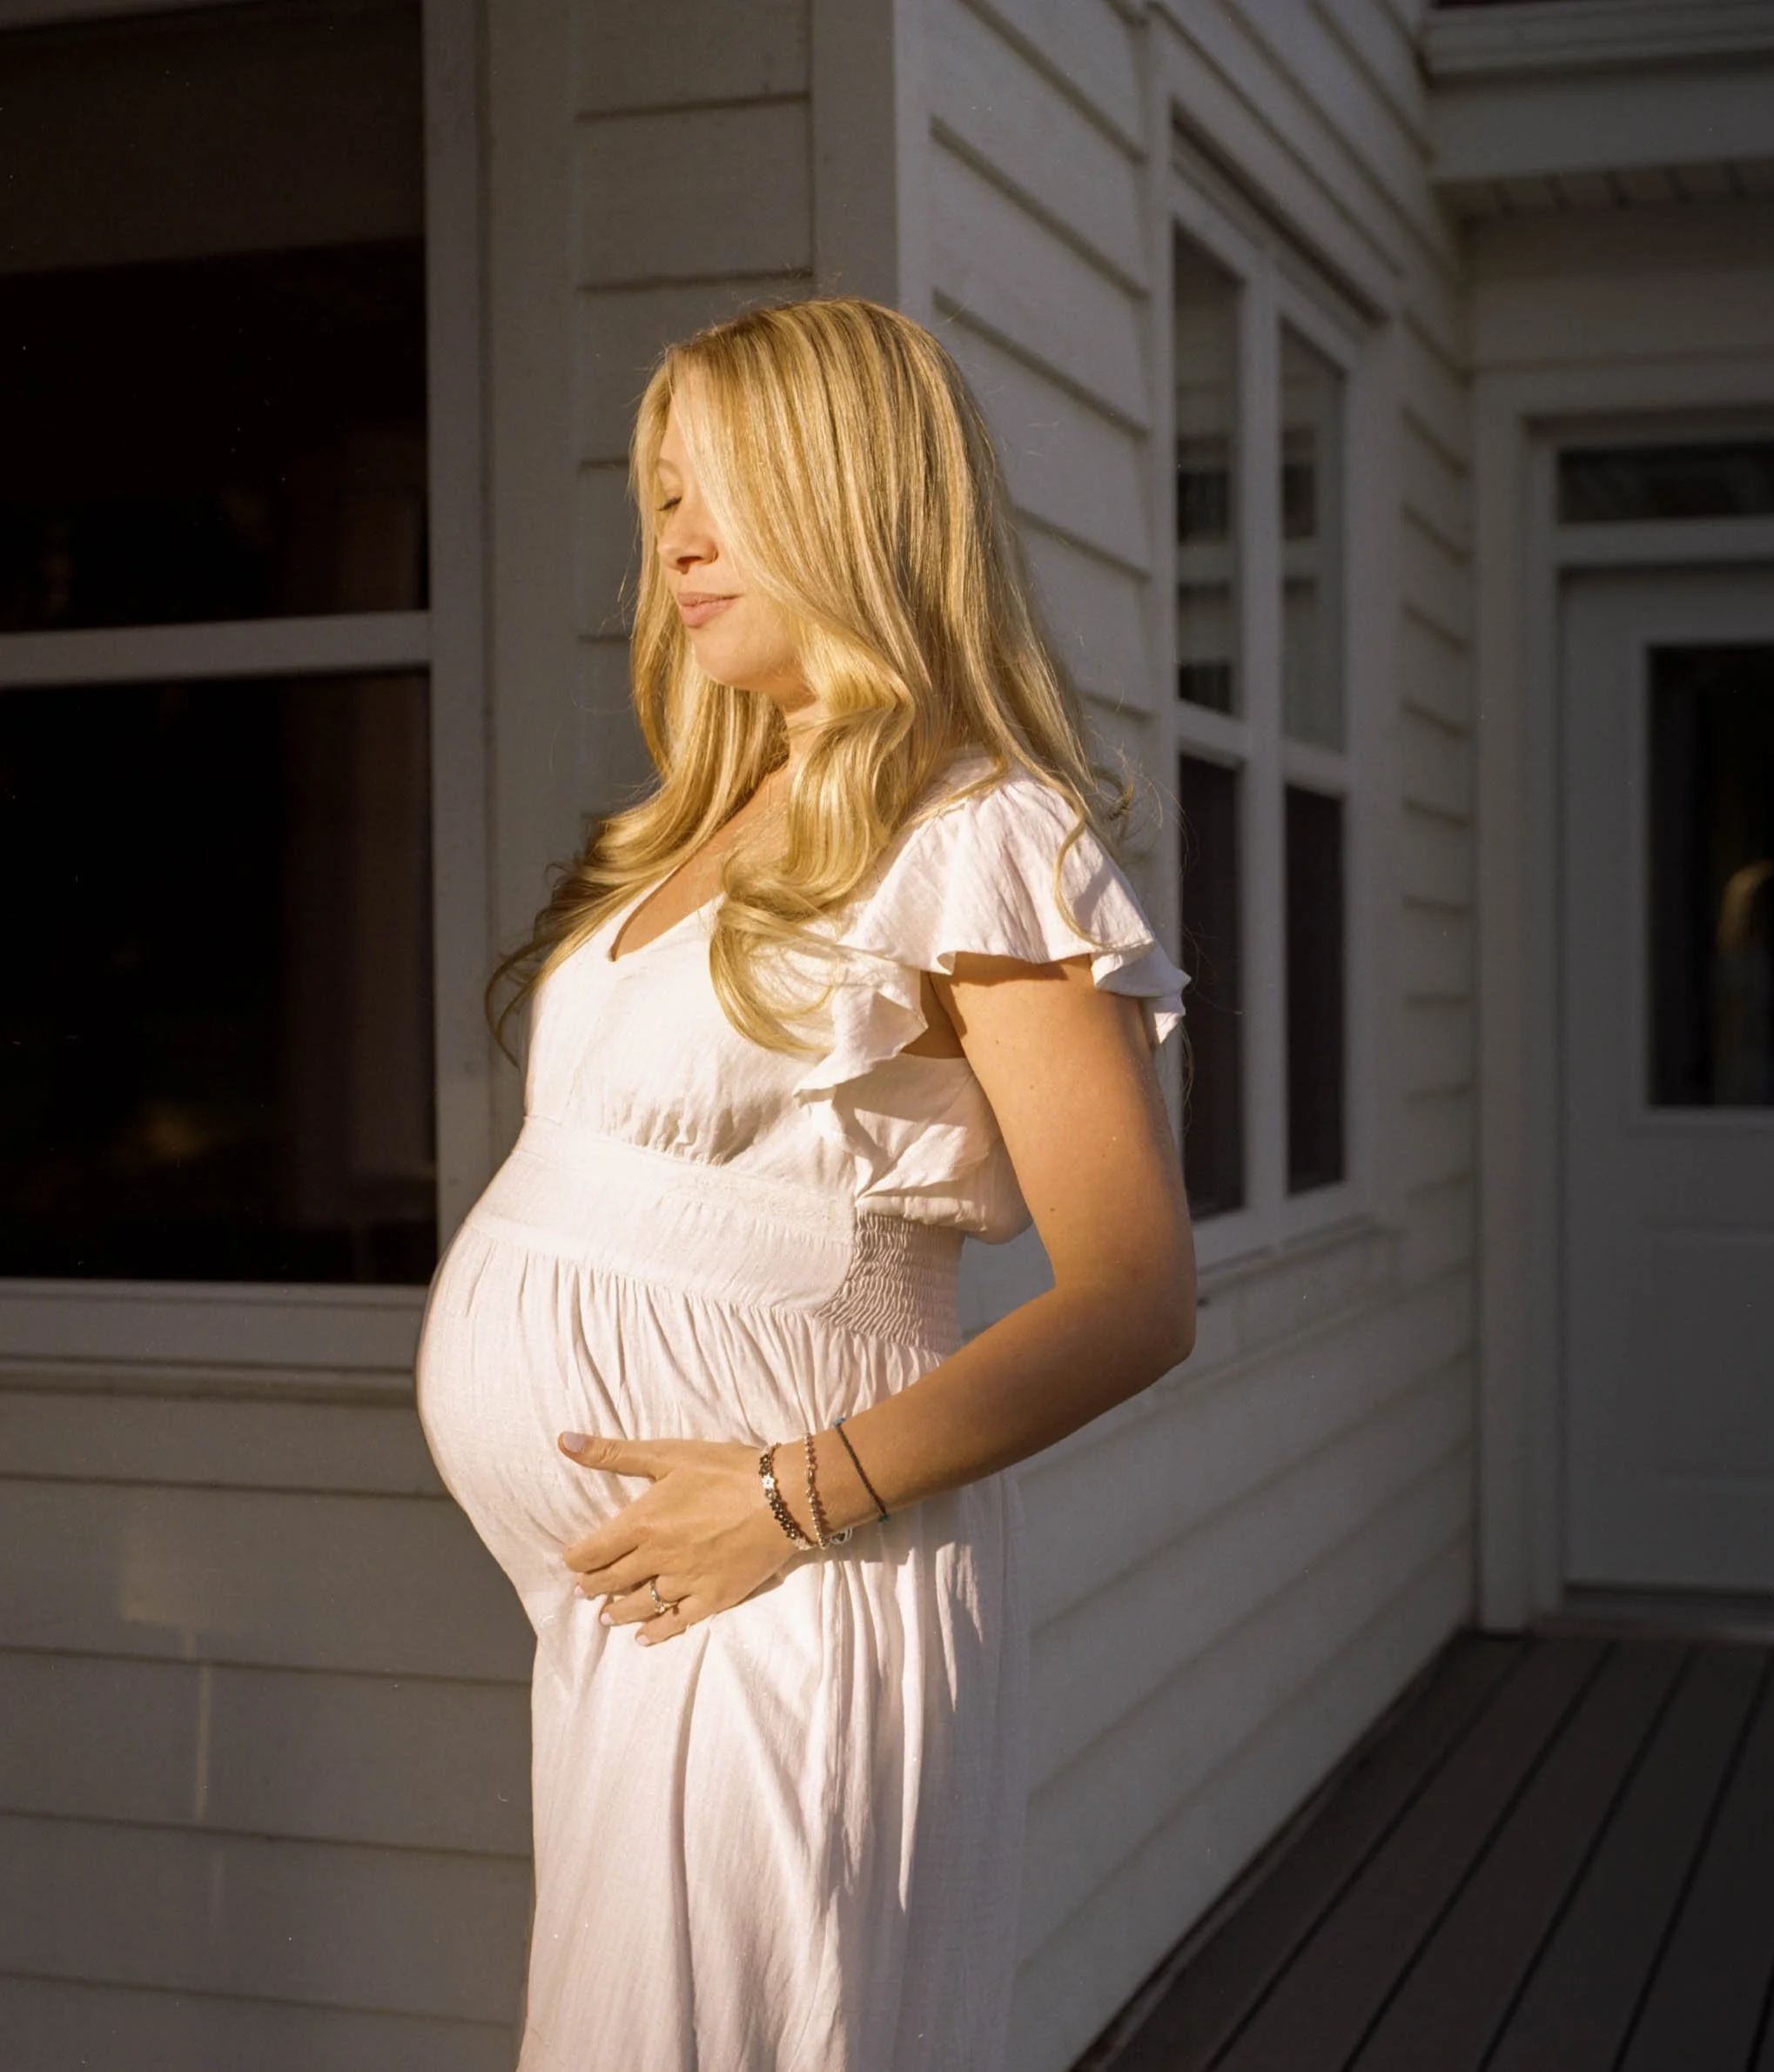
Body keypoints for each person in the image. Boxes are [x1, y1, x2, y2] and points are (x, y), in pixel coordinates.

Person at [413, 296, 1197, 2072]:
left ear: (856, 501)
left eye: (726, 491)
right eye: (662, 496)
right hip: (649, 1603)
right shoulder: (711, 818)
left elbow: (1135, 1297)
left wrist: (780, 1500)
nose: (676, 539)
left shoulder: (977, 827)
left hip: (790, 1579)